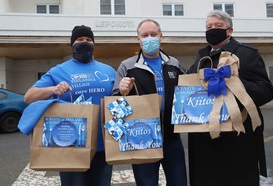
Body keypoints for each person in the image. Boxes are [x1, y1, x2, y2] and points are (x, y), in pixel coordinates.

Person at [187, 10, 273, 186]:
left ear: (230, 31)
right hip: (204, 138)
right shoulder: (200, 58)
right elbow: (187, 89)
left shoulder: (247, 54)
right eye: (209, 27)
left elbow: (266, 91)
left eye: (218, 26)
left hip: (237, 139)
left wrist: (235, 83)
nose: (212, 29)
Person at [24, 25, 116, 186]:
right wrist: (53, 89)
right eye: (80, 39)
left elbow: (120, 98)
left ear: (94, 44)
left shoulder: (108, 71)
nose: (85, 42)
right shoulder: (58, 71)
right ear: (72, 44)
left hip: (103, 147)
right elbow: (29, 97)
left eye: (89, 39)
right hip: (71, 145)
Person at [112, 19, 187, 185]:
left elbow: (187, 95)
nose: (149, 38)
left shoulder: (174, 64)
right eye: (145, 35)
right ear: (138, 39)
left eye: (153, 34)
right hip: (142, 140)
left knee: (179, 182)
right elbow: (115, 106)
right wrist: (122, 92)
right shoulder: (127, 66)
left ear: (161, 37)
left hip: (172, 139)